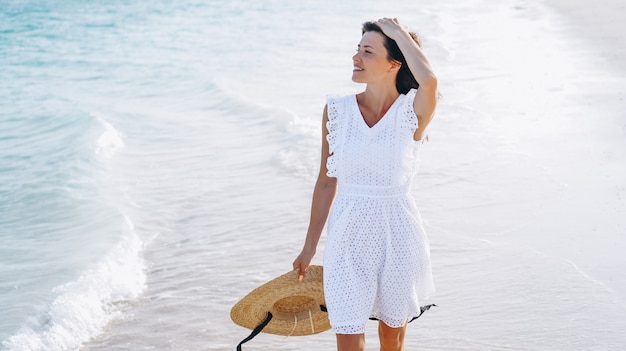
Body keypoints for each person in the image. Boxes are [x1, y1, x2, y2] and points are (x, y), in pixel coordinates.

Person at [292, 18, 438, 351]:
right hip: (347, 235)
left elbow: (429, 80)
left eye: (367, 51)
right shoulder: (337, 111)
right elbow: (327, 182)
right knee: (347, 331)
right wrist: (309, 246)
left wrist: (399, 33)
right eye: (357, 50)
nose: (356, 57)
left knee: (391, 336)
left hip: (398, 234)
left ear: (393, 64)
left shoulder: (410, 113)